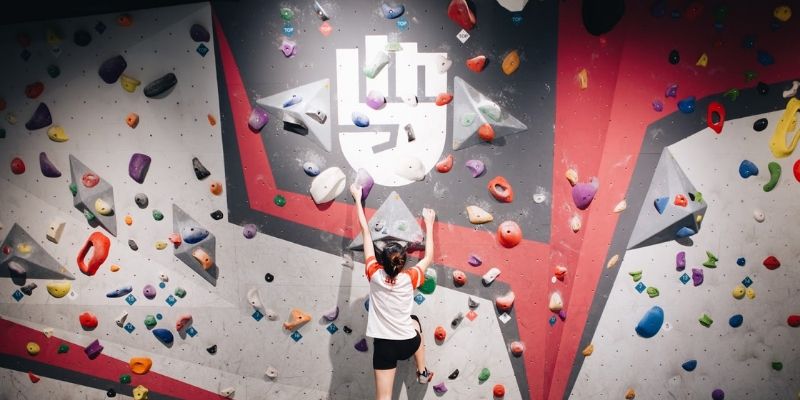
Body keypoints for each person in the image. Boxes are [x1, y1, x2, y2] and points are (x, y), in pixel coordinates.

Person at [349, 183, 435, 400]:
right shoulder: (410, 278)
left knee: (384, 398)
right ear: (402, 262)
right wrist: (429, 224)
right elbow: (428, 257)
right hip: (408, 344)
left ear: (382, 261)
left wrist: (358, 199)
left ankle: (422, 371)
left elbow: (366, 233)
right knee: (415, 322)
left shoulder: (374, 274)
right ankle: (422, 372)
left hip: (385, 348)